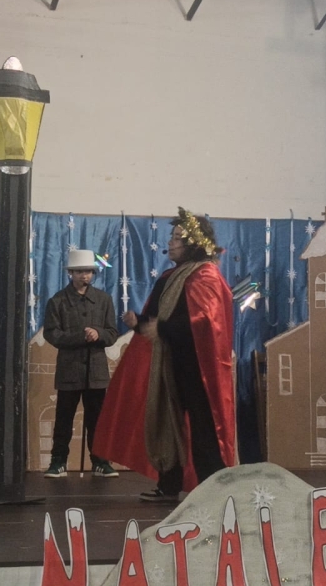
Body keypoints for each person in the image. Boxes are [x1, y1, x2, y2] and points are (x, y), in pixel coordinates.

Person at [93, 208, 237, 503]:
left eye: (177, 238)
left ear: (194, 244)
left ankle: (213, 489)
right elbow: (157, 318)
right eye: (172, 237)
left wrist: (160, 328)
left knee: (203, 427)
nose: (170, 243)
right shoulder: (171, 277)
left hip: (198, 369)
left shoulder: (206, 275)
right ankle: (169, 485)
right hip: (171, 364)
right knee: (167, 424)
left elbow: (203, 323)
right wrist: (140, 323)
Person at [42, 249, 119, 477]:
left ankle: (100, 461)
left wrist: (98, 333)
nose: (84, 275)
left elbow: (112, 333)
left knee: (97, 420)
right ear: (71, 273)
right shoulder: (57, 301)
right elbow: (51, 333)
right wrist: (80, 337)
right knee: (64, 419)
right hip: (69, 370)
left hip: (96, 371)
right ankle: (58, 462)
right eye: (79, 271)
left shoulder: (104, 300)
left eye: (88, 271)